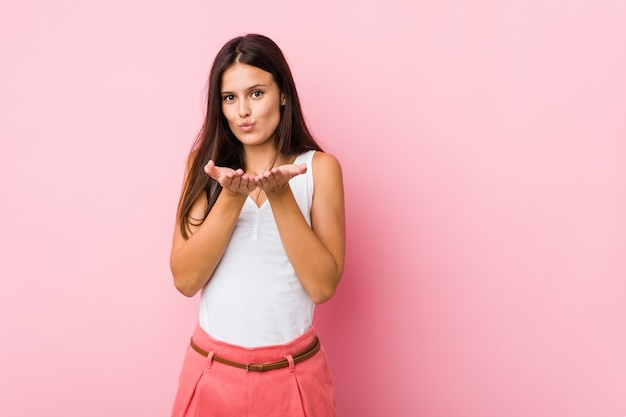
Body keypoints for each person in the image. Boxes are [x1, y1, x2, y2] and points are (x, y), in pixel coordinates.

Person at [169, 34, 345, 417]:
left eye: (256, 93)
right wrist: (232, 198)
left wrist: (281, 196)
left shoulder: (320, 169)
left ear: (283, 93)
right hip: (212, 375)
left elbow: (323, 286)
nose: (243, 112)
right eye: (230, 98)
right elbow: (185, 280)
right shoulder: (205, 168)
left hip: (295, 378)